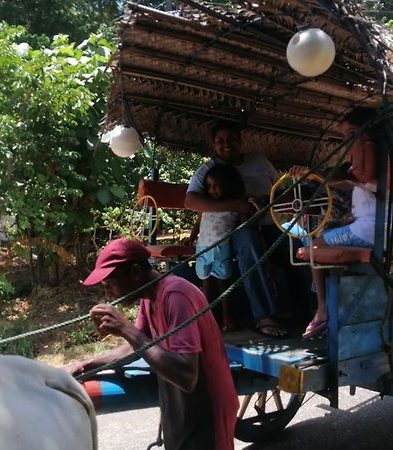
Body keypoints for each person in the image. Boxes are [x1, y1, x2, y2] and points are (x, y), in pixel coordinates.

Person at [66, 238, 239, 450]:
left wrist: (125, 328)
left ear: (136, 272)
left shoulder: (176, 295)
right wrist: (85, 365)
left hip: (207, 410)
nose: (108, 293)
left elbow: (187, 376)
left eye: (110, 283)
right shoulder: (150, 297)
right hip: (182, 407)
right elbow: (134, 347)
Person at [185, 120, 308, 337]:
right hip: (231, 230)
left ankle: (305, 311)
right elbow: (191, 201)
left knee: (296, 248)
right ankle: (264, 315)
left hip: (270, 224)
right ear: (214, 145)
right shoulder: (208, 169)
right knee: (249, 242)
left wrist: (266, 201)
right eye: (220, 141)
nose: (226, 144)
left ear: (240, 142)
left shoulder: (259, 161)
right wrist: (236, 205)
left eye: (231, 139)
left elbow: (282, 189)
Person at [289, 107, 386, 338]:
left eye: (351, 135)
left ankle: (322, 309)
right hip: (374, 228)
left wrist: (311, 174)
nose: (347, 142)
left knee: (313, 247)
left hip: (369, 231)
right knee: (330, 241)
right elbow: (352, 185)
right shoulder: (382, 156)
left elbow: (342, 179)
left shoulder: (369, 157)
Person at [184, 164, 247, 331]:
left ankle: (227, 317)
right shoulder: (206, 204)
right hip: (203, 248)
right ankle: (206, 318)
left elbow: (245, 224)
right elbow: (198, 223)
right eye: (209, 186)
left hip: (222, 249)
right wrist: (190, 238)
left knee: (223, 284)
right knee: (206, 285)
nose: (212, 190)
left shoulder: (235, 205)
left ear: (228, 185)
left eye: (216, 185)